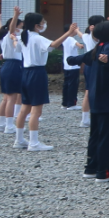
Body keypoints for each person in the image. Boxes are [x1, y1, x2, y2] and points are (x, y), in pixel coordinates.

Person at [66, 20, 109, 181]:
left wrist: (71, 59)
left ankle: (91, 168)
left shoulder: (96, 48)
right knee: (108, 136)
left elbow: (80, 59)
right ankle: (104, 172)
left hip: (96, 98)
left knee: (96, 134)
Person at [13, 15, 77, 151]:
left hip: (25, 73)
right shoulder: (37, 38)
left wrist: (13, 36)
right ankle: (34, 143)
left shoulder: (24, 36)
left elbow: (16, 45)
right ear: (37, 25)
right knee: (36, 110)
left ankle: (19, 140)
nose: (44, 24)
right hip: (37, 73)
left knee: (24, 108)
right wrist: (68, 33)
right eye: (43, 23)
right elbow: (53, 45)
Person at [0, 9, 23, 134]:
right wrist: (15, 16)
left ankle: (0, 124)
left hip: (6, 65)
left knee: (6, 98)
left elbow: (0, 27)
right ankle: (9, 125)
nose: (21, 30)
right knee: (11, 98)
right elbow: (11, 28)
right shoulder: (10, 35)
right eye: (20, 27)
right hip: (13, 65)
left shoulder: (3, 36)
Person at [77, 15, 106, 128]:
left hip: (89, 65)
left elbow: (80, 34)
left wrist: (76, 30)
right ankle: (94, 118)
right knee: (94, 92)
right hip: (96, 64)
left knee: (89, 91)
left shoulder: (85, 36)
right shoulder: (96, 36)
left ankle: (85, 119)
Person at [61, 24, 82, 109]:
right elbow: (79, 45)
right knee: (73, 85)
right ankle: (71, 104)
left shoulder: (64, 39)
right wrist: (81, 45)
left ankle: (65, 103)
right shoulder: (71, 39)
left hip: (66, 65)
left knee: (66, 85)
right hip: (73, 66)